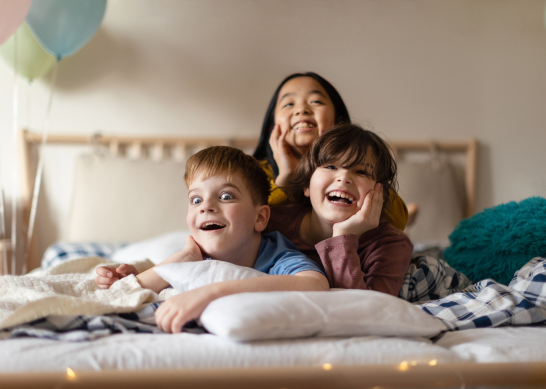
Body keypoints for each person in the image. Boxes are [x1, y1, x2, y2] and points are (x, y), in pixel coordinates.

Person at [95, 146, 329, 333]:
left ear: (260, 217)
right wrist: (183, 257)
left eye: (226, 196)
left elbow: (316, 284)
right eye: (196, 200)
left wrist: (212, 292)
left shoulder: (276, 255)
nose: (206, 206)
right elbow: (126, 293)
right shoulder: (193, 253)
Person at [253, 72, 414, 230]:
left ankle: (413, 212)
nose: (302, 110)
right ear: (272, 126)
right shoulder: (255, 173)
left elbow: (397, 221)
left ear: (339, 122)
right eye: (288, 104)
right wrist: (286, 176)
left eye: (315, 101)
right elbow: (252, 224)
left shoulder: (357, 167)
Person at [266, 124, 413, 296]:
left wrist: (343, 236)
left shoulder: (392, 244)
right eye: (330, 167)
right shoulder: (270, 223)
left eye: (361, 172)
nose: (343, 178)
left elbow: (365, 309)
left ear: (381, 194)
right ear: (306, 184)